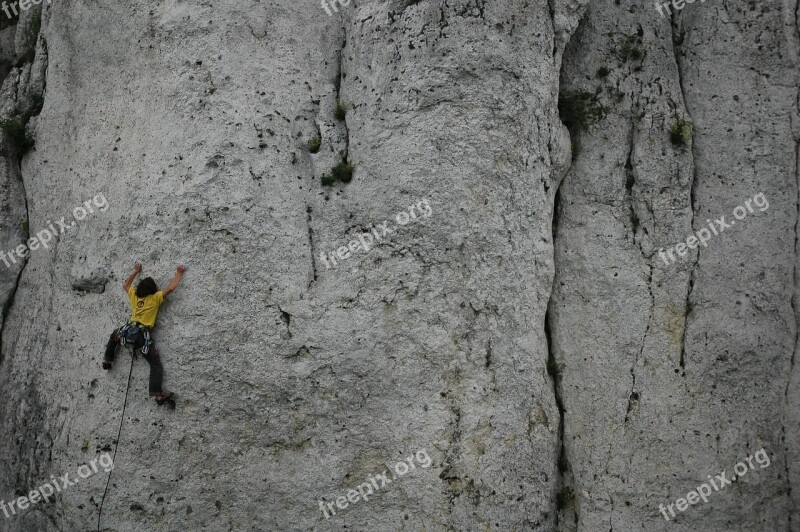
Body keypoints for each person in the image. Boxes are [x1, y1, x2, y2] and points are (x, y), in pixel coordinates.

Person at [103, 262, 185, 408]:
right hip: (142, 336)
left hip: (127, 331)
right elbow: (171, 288)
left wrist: (135, 271)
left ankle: (107, 360)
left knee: (114, 335)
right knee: (155, 365)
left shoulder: (134, 295)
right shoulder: (155, 298)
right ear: (153, 290)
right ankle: (157, 394)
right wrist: (179, 272)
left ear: (140, 288)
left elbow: (126, 285)